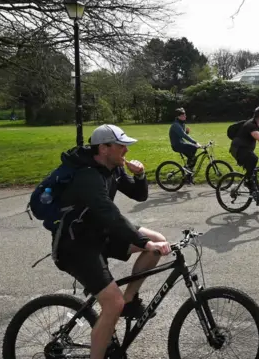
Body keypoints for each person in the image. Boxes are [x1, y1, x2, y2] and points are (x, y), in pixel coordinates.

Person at [52, 124, 172, 359]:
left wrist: (140, 176)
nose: (126, 150)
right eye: (121, 146)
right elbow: (110, 214)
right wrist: (144, 243)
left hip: (99, 235)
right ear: (104, 148)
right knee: (112, 304)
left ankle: (129, 300)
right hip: (76, 246)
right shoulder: (87, 175)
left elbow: (139, 195)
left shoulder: (112, 169)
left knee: (158, 241)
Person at [169, 108, 201, 184]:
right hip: (177, 145)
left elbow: (182, 134)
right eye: (183, 115)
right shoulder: (175, 125)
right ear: (178, 116)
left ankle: (188, 174)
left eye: (185, 114)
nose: (185, 116)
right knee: (193, 148)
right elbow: (183, 135)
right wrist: (195, 142)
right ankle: (188, 173)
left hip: (181, 143)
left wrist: (186, 132)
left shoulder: (182, 123)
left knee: (193, 157)